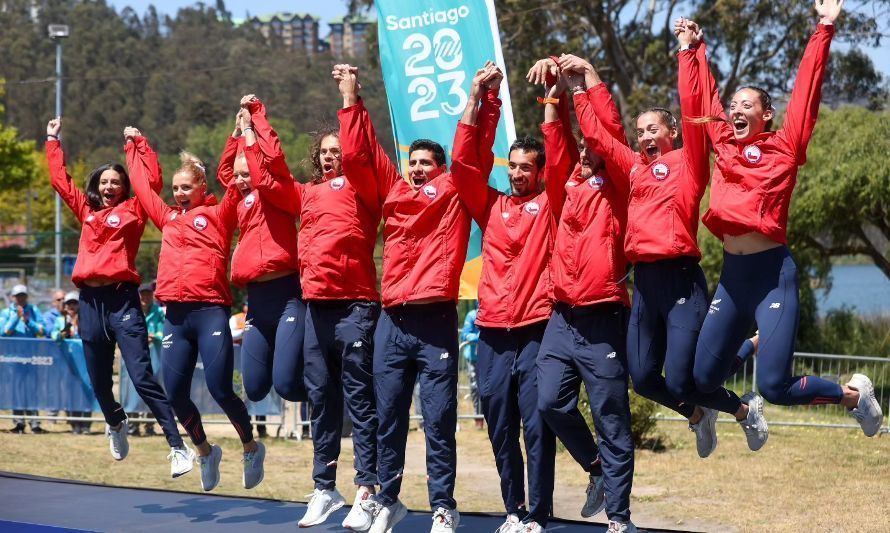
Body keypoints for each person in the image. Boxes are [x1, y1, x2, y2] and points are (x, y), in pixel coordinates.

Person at [556, 34, 770, 458]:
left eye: (652, 129)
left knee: (682, 379)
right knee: (643, 378)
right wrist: (583, 85)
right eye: (640, 132)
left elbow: (695, 113)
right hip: (646, 284)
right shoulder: (634, 167)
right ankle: (697, 414)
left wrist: (687, 55)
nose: (644, 136)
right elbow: (597, 137)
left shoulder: (689, 163)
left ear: (672, 131)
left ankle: (743, 409)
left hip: (681, 281)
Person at [689, 0, 882, 437]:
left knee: (774, 385)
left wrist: (825, 27)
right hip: (733, 279)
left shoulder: (786, 144)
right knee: (700, 381)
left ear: (766, 114)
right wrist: (695, 48)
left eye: (746, 105)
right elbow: (706, 95)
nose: (735, 110)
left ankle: (854, 395)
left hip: (773, 275)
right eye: (733, 105)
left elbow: (807, 89)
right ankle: (742, 403)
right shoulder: (725, 142)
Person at [337, 63, 467, 533]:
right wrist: (351, 97)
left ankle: (442, 506)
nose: (415, 169)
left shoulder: (453, 191)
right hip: (392, 320)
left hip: (434, 321)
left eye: (425, 163)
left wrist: (478, 97)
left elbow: (470, 153)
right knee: (387, 416)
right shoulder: (393, 191)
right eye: (411, 162)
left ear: (441, 169)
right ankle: (387, 499)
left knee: (438, 421)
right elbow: (361, 156)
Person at [450, 61, 573, 533]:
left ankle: (539, 513)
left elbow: (562, 157)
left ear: (540, 172)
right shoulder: (492, 205)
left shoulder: (551, 205)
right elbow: (462, 167)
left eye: (527, 168)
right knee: (501, 427)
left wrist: (552, 99)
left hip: (538, 331)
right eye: (514, 167)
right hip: (494, 334)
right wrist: (477, 98)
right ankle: (514, 511)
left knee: (538, 424)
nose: (519, 174)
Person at [46, 118, 191, 474]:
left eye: (116, 181)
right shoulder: (87, 211)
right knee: (98, 380)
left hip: (122, 299)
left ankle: (177, 445)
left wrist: (137, 145)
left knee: (141, 377)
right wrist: (52, 140)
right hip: (90, 304)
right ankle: (115, 422)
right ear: (97, 186)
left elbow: (152, 180)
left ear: (125, 186)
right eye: (104, 181)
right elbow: (59, 181)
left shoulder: (135, 209)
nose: (109, 186)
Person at [126, 126, 265, 491]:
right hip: (176, 315)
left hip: (210, 312)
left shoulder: (219, 215)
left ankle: (250, 446)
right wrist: (135, 145)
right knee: (174, 393)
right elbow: (142, 187)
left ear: (202, 187)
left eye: (186, 187)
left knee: (220, 388)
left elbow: (236, 178)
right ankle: (204, 451)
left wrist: (238, 134)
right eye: (175, 188)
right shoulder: (168, 219)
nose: (179, 193)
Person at [528, 59, 635, 532]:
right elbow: (555, 145)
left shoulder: (619, 182)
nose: (587, 152)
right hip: (562, 318)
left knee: (613, 419)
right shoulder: (567, 183)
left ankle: (620, 518)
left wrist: (586, 81)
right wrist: (553, 92)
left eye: (594, 148)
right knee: (549, 403)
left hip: (603, 318)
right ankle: (596, 469)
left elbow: (607, 131)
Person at [270, 82, 383, 528]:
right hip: (316, 307)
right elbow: (268, 175)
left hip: (356, 306)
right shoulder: (306, 194)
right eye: (325, 151)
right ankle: (324, 488)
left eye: (337, 149)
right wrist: (253, 125)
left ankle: (368, 491)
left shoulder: (364, 188)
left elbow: (360, 153)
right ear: (316, 158)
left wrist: (349, 100)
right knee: (321, 399)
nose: (332, 156)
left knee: (359, 400)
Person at [217, 102, 307, 415]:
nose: (240, 180)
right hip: (256, 300)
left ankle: (331, 385)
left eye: (247, 175)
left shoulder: (275, 193)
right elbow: (225, 172)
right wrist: (236, 133)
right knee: (254, 388)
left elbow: (268, 160)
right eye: (237, 177)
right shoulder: (239, 203)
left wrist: (254, 122)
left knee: (286, 385)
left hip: (287, 296)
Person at [1, 284, 47, 434]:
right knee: (16, 390)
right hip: (12, 359)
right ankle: (19, 423)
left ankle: (35, 423)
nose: (20, 298)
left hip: (32, 358)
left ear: (26, 296)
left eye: (23, 295)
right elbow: (4, 332)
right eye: (17, 295)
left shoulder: (34, 311)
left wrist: (28, 321)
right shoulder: (6, 312)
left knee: (32, 390)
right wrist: (16, 317)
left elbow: (42, 331)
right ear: (13, 298)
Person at [51, 291, 92, 434]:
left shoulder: (86, 318)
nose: (71, 306)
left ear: (79, 305)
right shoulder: (60, 320)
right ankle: (74, 424)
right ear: (65, 306)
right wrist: (68, 326)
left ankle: (86, 425)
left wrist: (78, 324)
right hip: (67, 362)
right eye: (69, 303)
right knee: (70, 392)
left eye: (74, 303)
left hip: (84, 362)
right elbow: (54, 336)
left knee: (86, 391)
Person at [134, 282, 165, 436]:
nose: (145, 297)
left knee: (153, 390)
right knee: (133, 390)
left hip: (155, 357)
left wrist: (154, 336)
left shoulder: (159, 312)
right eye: (142, 294)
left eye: (148, 293)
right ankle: (133, 426)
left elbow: (164, 332)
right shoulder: (133, 310)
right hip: (135, 356)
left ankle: (150, 425)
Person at [459, 306, 482, 430]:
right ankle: (478, 417)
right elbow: (465, 335)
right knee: (475, 387)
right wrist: (481, 337)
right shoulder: (472, 314)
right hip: (473, 358)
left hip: (489, 357)